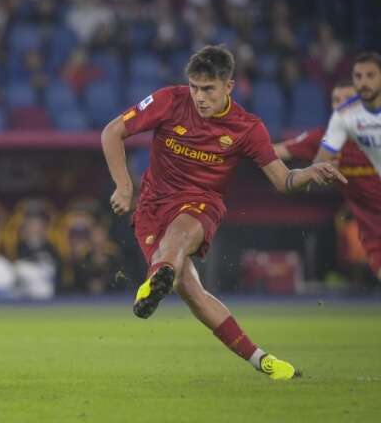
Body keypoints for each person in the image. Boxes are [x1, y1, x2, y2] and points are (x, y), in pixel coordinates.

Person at [101, 45, 346, 380]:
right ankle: (262, 360)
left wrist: (309, 173)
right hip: (152, 207)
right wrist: (123, 185)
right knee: (193, 293)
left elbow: (283, 180)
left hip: (202, 203)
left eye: (208, 89)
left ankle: (156, 277)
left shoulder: (247, 128)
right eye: (194, 87)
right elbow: (112, 131)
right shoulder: (169, 100)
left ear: (228, 86)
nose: (199, 97)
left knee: (178, 236)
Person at [274, 80, 381, 281]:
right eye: (336, 100)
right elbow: (274, 152)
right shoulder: (323, 140)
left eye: (348, 99)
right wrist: (235, 145)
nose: (341, 105)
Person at [315, 52, 381, 279]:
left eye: (370, 75)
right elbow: (321, 162)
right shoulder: (343, 118)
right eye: (358, 76)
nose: (364, 82)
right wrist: (325, 166)